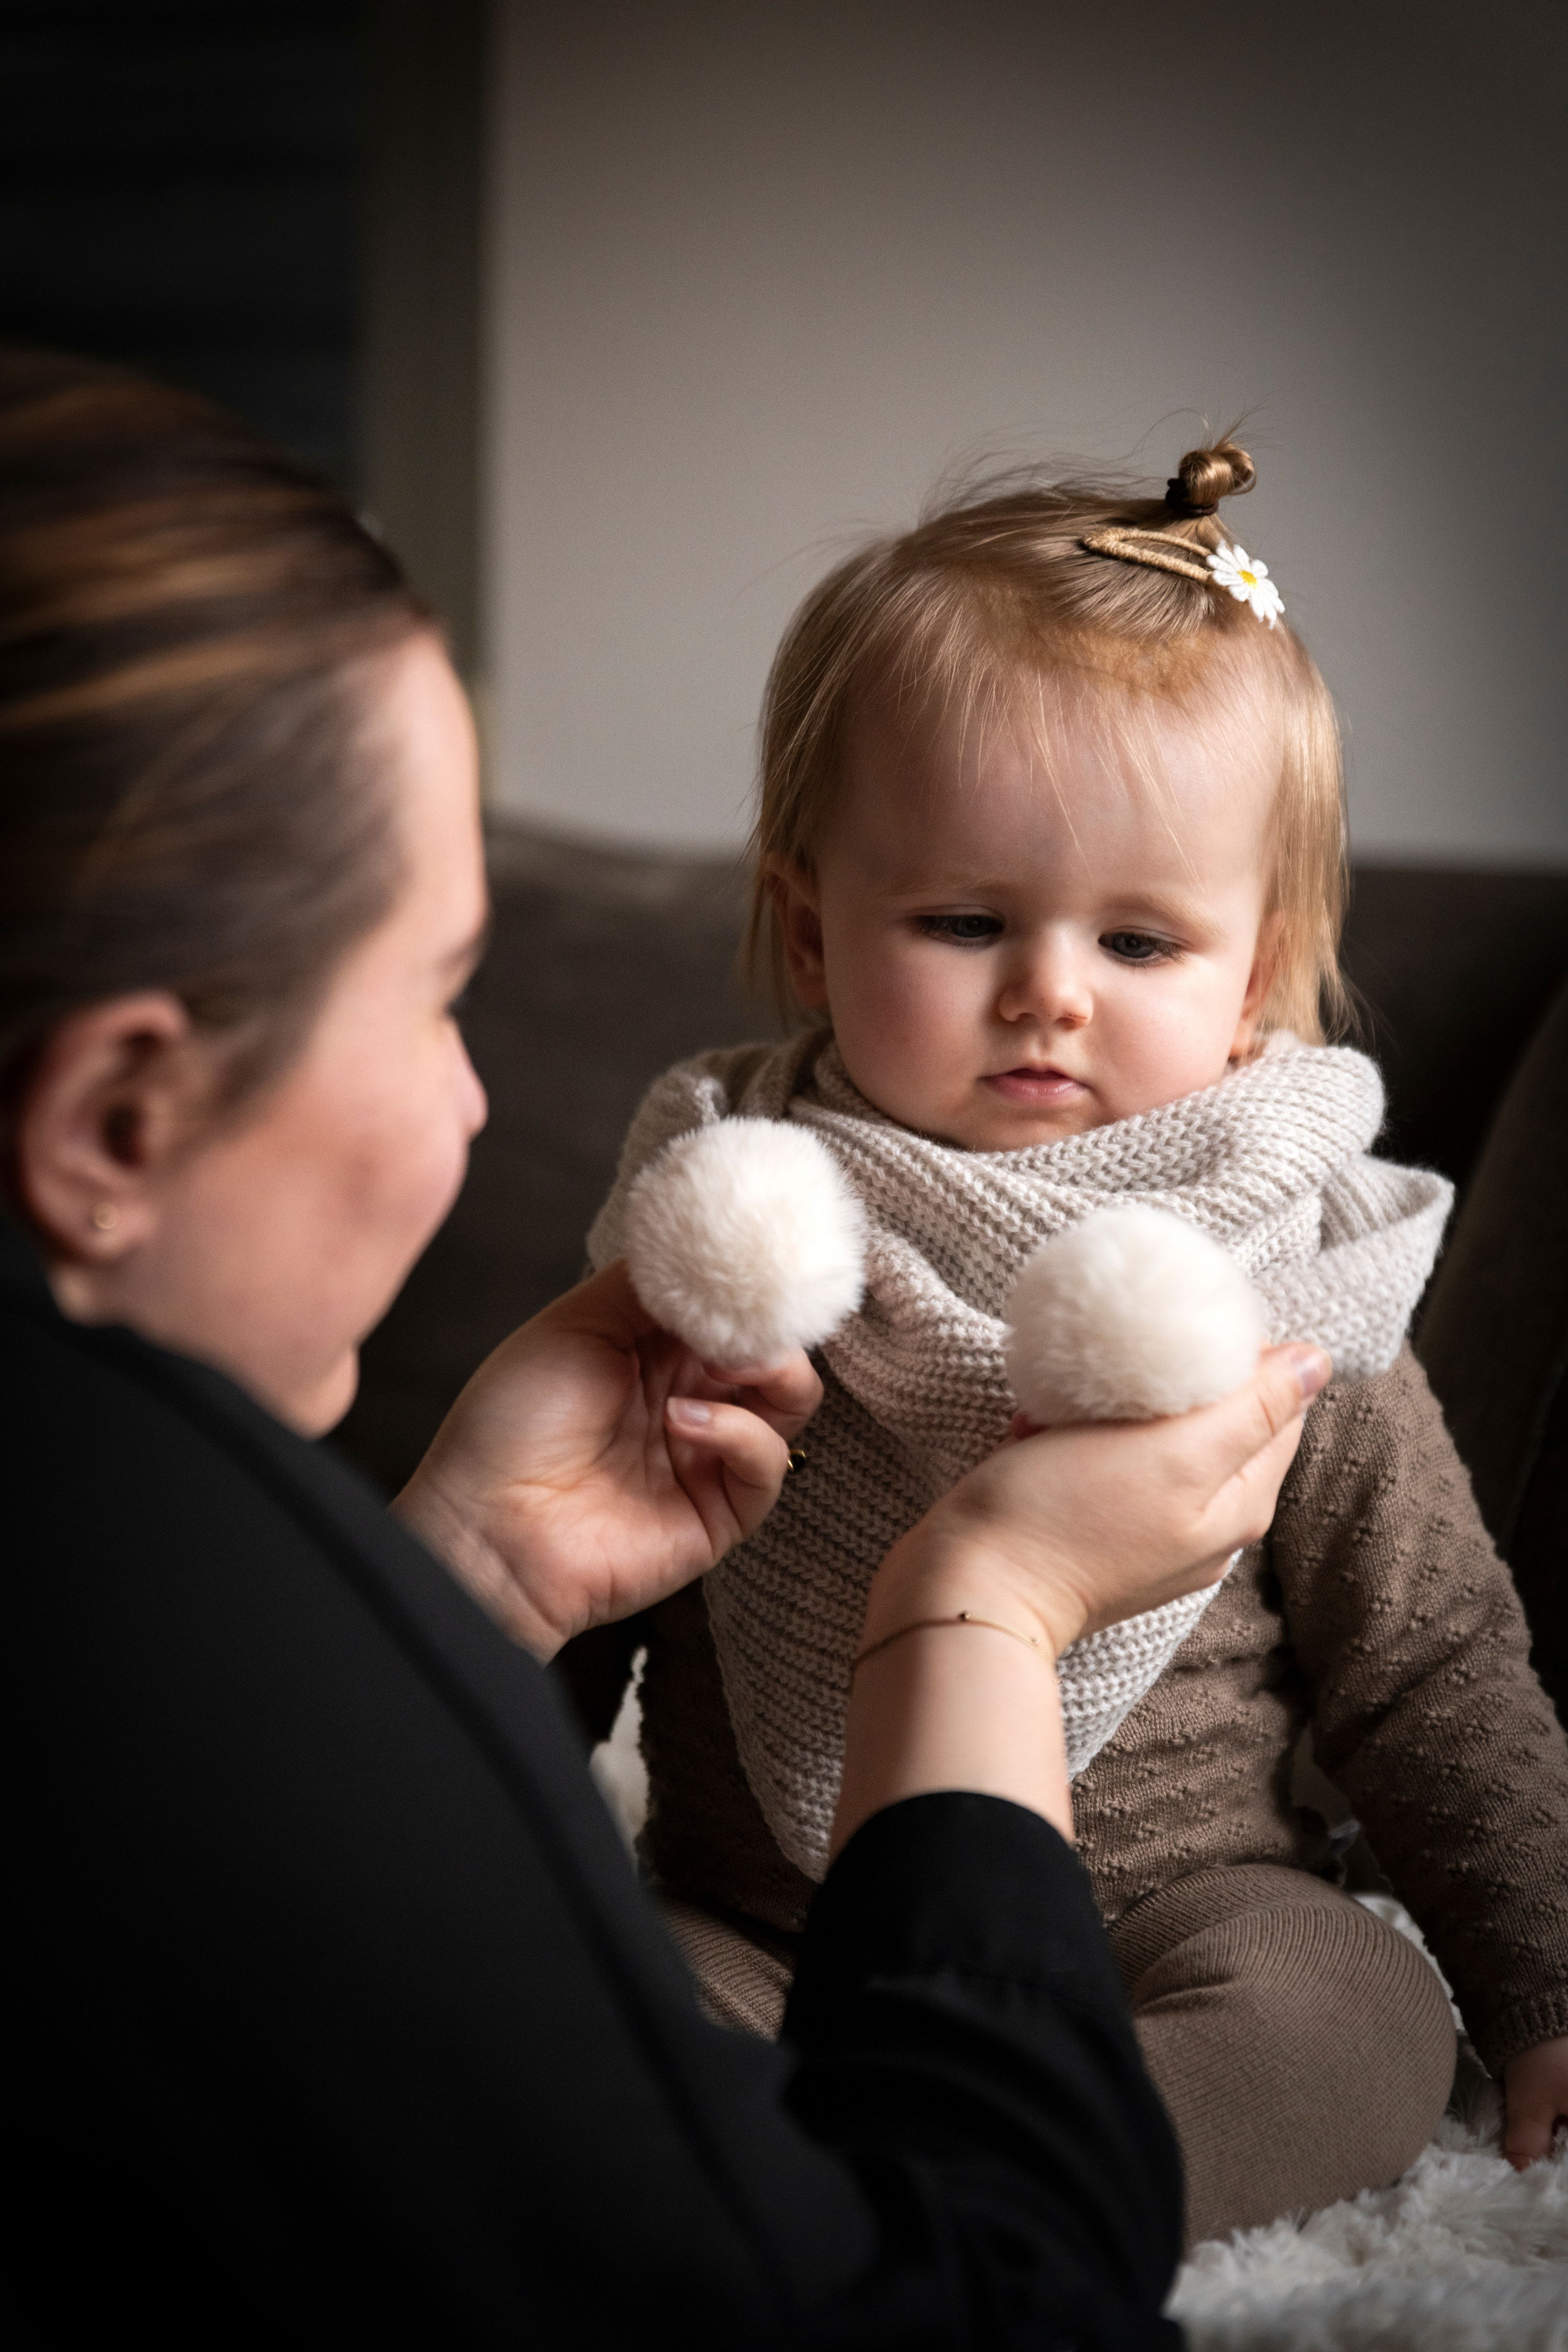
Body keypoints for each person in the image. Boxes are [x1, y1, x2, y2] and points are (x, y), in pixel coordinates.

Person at [4, 350, 1321, 2346]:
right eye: (441, 992)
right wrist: (980, 1603)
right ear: (114, 1123)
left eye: (1141, 941)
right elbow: (991, 2306)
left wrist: (463, 1577)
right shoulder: (130, 1602)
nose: (472, 1106)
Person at [585, 441, 1568, 2243]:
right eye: (964, 921)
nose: (1048, 986)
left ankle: (1036, 2187)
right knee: (585, 2010)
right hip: (769, 1927)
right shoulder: (731, 1243)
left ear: (1255, 974)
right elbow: (561, 1613)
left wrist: (1545, 1983)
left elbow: (1429, 1663)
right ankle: (838, 2173)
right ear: (812, 933)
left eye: (1136, 935)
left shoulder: (1303, 1280)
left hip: (1181, 1917)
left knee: (1356, 2010)